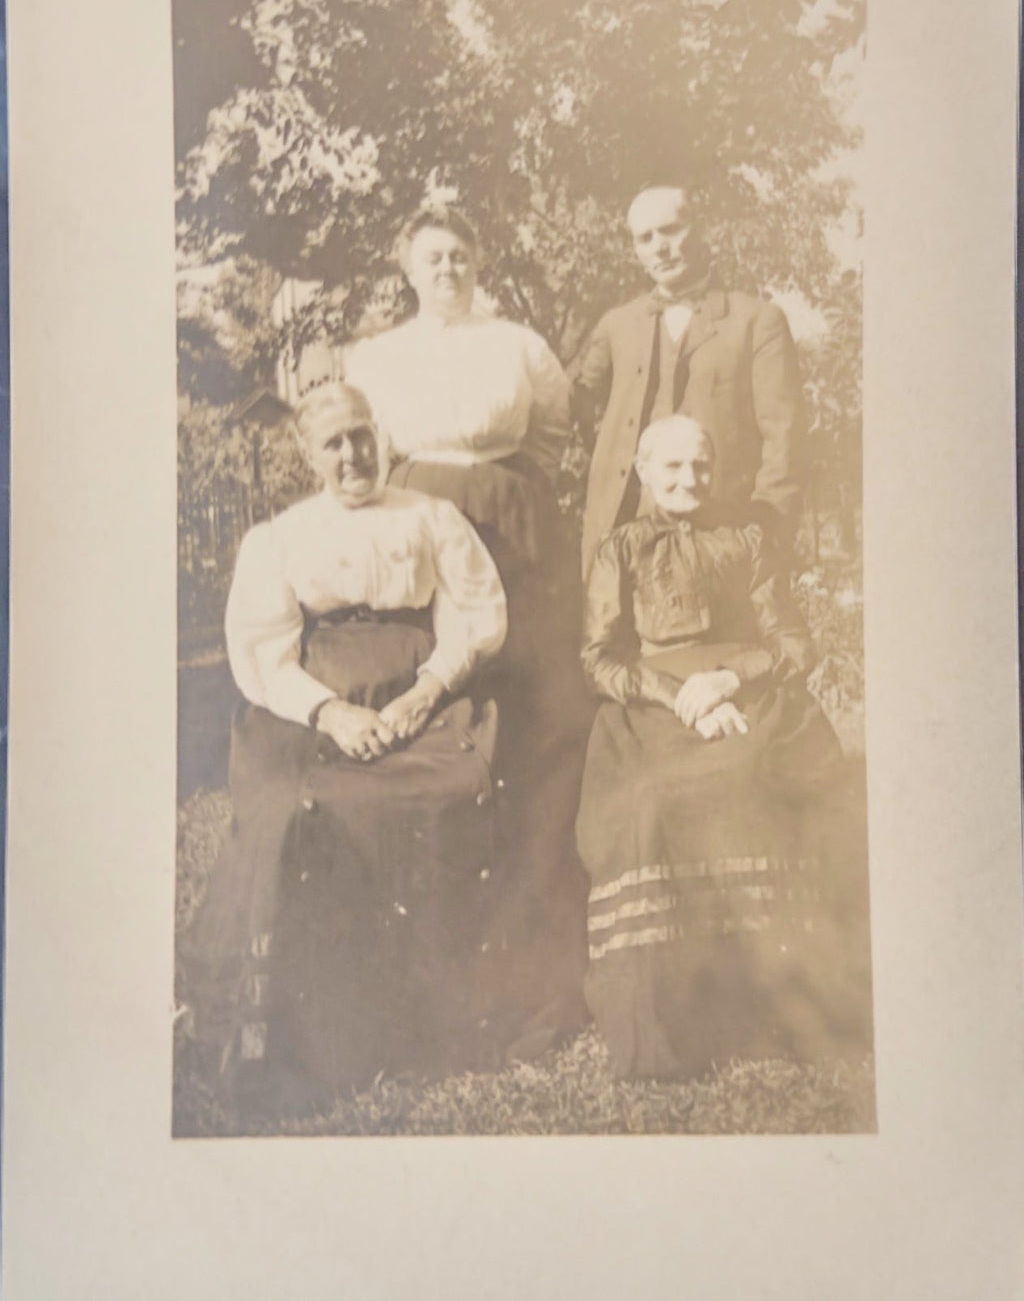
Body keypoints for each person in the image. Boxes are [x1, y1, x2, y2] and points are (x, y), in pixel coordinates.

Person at [182, 383, 509, 1118]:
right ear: (308, 455)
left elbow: (474, 616)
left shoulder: (432, 517)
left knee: (453, 787)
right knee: (297, 810)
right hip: (316, 709)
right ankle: (317, 1031)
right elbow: (264, 652)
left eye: (361, 435)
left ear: (379, 436)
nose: (353, 454)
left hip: (423, 695)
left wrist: (425, 693)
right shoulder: (280, 537)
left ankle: (435, 1017)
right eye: (333, 443)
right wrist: (329, 714)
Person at [343, 203, 591, 1060]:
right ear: (408, 270)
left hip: (518, 529)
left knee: (535, 719)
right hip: (420, 526)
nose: (447, 269)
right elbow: (367, 452)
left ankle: (540, 945)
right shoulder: (376, 357)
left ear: (477, 261)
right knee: (445, 711)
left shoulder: (518, 344)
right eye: (432, 258)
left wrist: (501, 496)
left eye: (459, 254)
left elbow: (550, 435)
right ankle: (441, 955)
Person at [575, 413, 871, 1080]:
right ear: (644, 470)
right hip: (653, 708)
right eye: (673, 466)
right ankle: (668, 1023)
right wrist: (680, 695)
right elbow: (598, 659)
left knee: (758, 779)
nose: (690, 479)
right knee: (649, 805)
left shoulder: (746, 539)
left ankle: (786, 1007)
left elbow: (793, 643)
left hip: (749, 695)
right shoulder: (620, 550)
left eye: (701, 465)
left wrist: (727, 681)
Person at [572, 183, 807, 576]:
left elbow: (785, 441)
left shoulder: (757, 321)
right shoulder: (616, 324)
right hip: (620, 538)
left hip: (722, 539)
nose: (659, 248)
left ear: (700, 231)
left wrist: (765, 537)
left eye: (670, 230)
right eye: (645, 238)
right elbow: (570, 402)